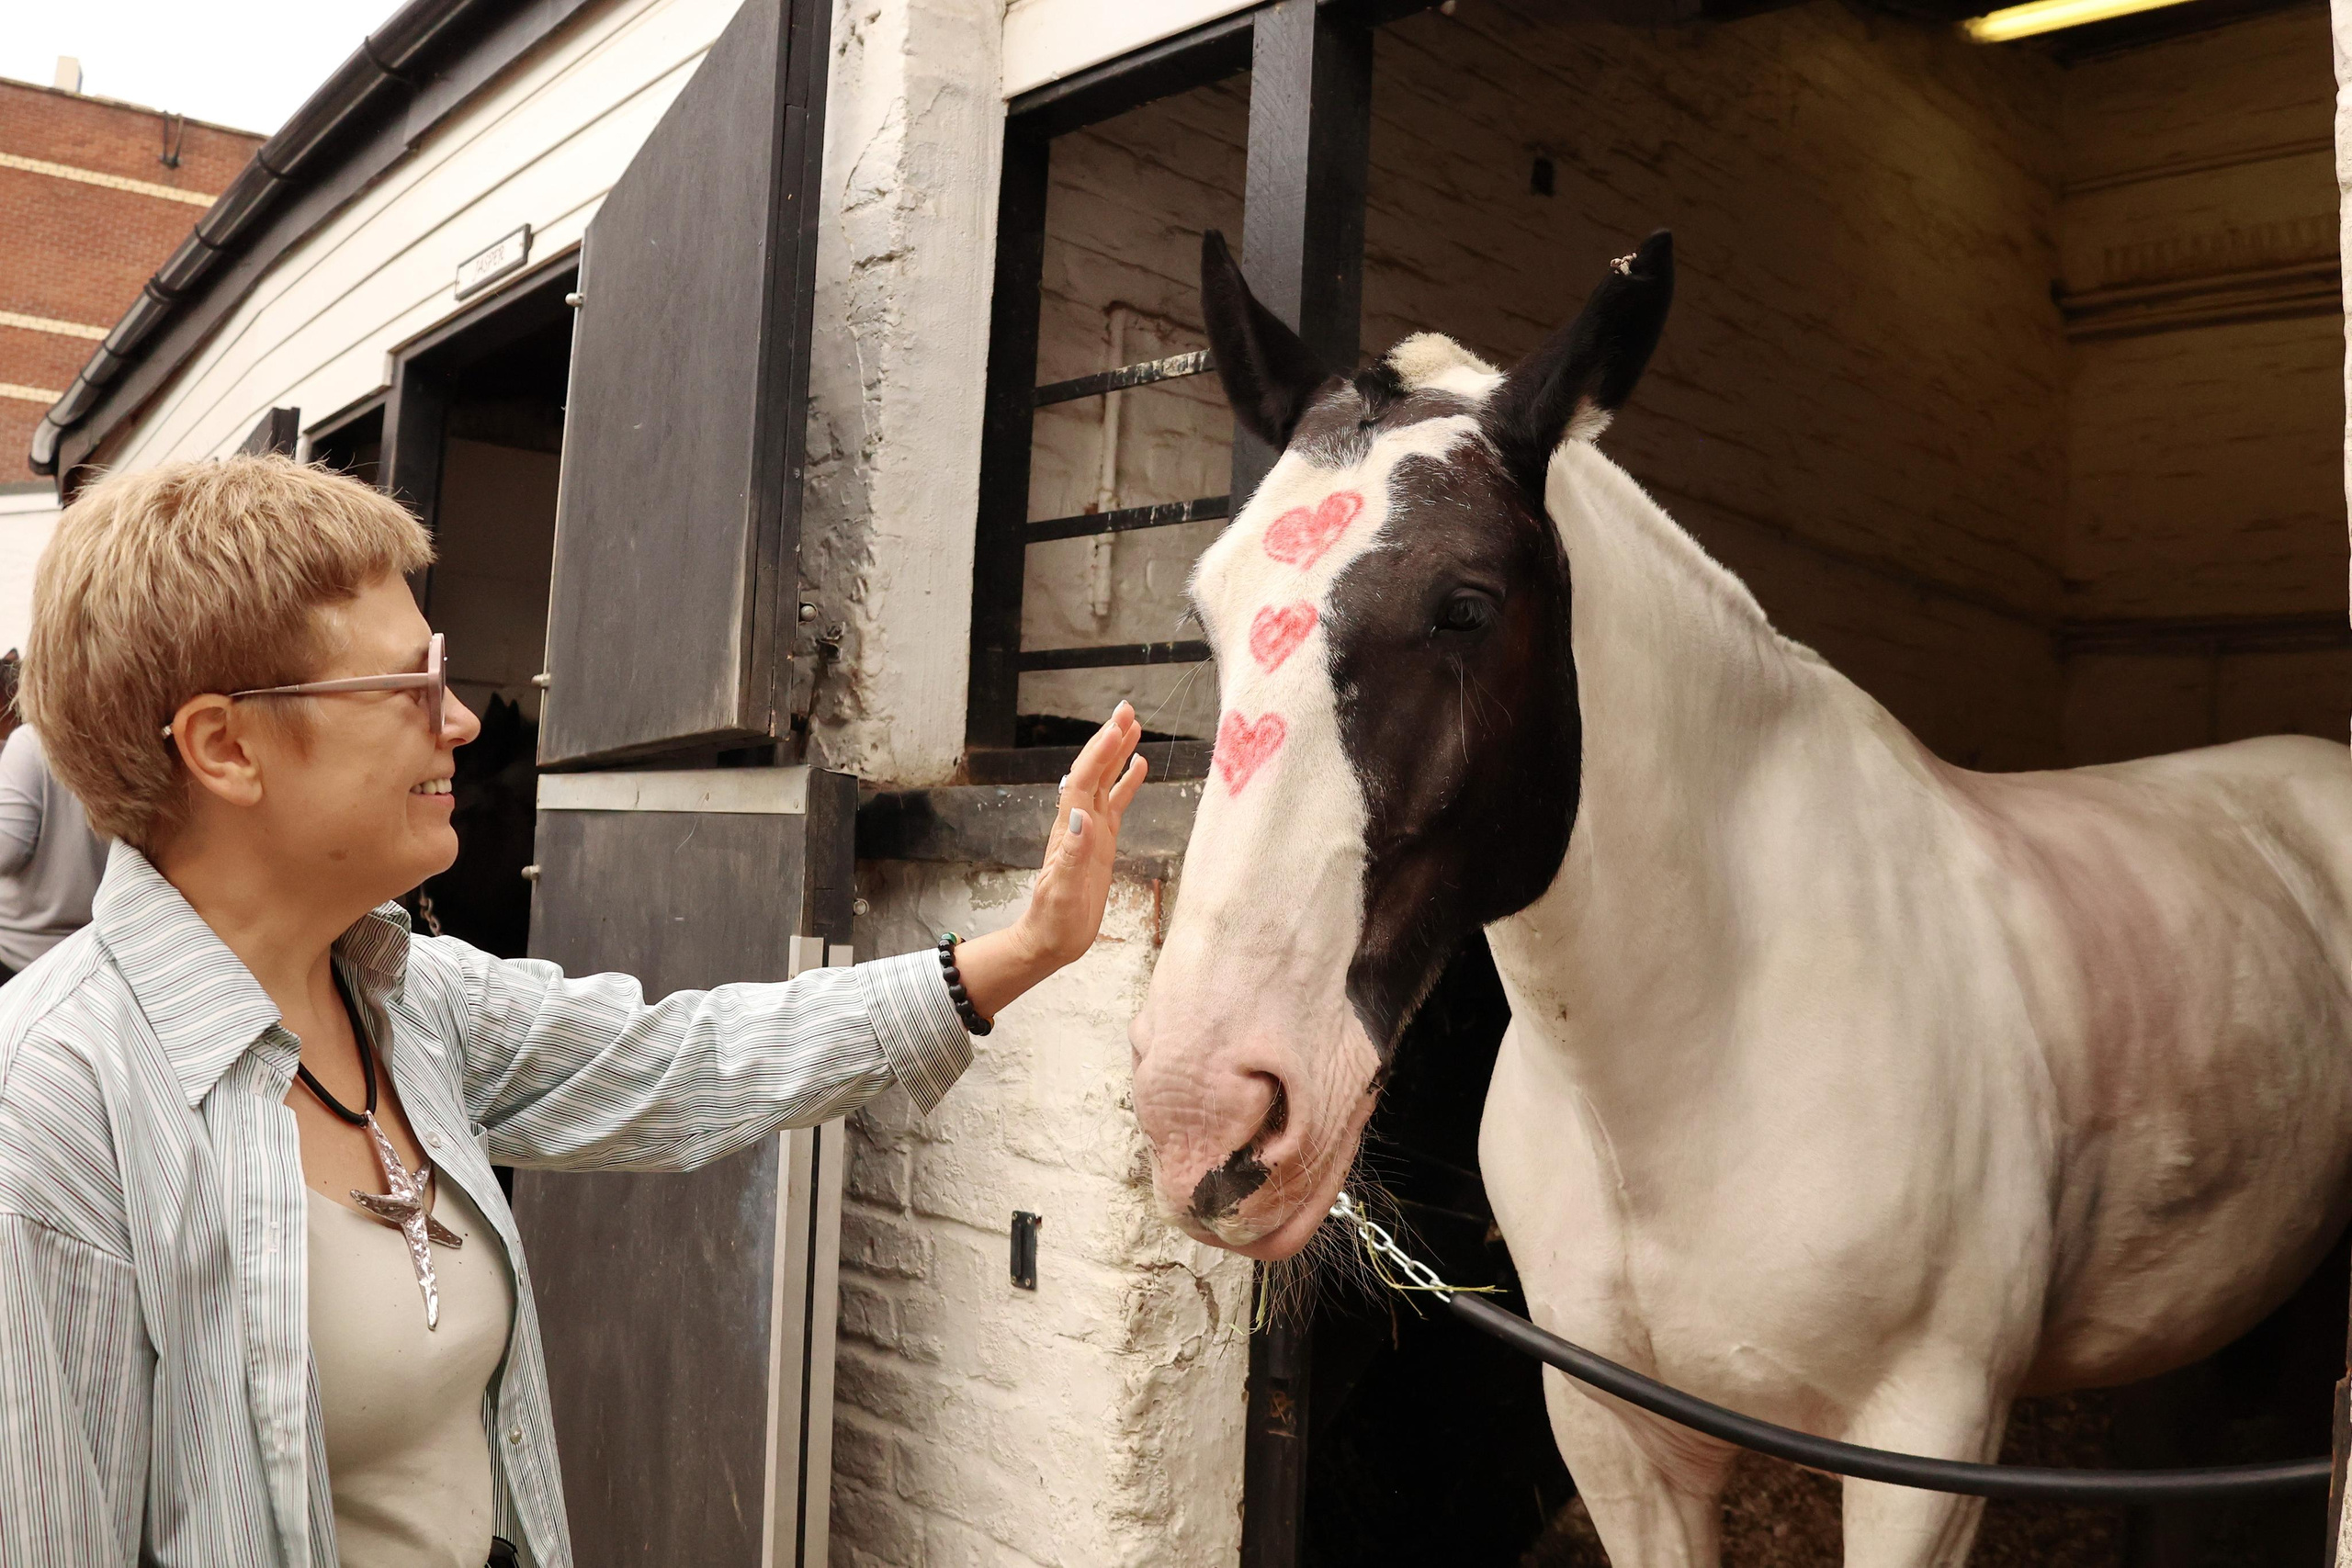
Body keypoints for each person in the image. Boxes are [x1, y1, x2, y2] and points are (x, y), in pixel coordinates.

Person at [0, 456, 1149, 1568]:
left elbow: (682, 1064)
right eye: (407, 685)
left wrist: (1017, 952)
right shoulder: (49, 1115)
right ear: (224, 745)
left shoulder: (403, 995)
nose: (458, 719)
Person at [0, 717, 110, 982]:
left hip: (18, 954)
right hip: (96, 958)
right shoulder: (137, 741)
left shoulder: (33, 741)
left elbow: (5, 852)